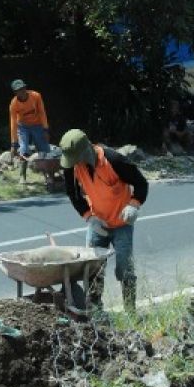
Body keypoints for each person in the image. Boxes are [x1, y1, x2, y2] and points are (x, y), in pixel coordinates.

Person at [59, 129, 149, 312]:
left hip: (121, 224)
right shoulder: (72, 165)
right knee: (93, 269)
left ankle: (130, 311)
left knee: (125, 269)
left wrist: (134, 204)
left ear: (86, 151)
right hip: (98, 223)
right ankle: (95, 311)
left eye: (75, 159)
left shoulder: (114, 160)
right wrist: (89, 217)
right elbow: (73, 193)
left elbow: (141, 183)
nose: (72, 164)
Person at [8, 79, 51, 161]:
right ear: (15, 92)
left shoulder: (36, 96)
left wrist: (45, 129)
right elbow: (13, 124)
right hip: (23, 127)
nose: (22, 91)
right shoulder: (13, 104)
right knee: (23, 149)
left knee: (45, 151)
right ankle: (24, 168)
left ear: (25, 88)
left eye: (22, 88)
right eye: (18, 90)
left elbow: (42, 113)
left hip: (37, 125)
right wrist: (14, 144)